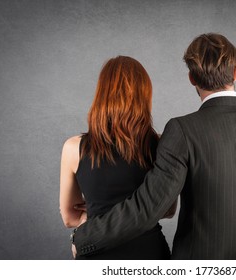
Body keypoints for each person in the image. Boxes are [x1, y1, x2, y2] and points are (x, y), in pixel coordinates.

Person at [72, 33, 236, 259]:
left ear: (191, 78)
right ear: (235, 72)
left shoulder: (182, 131)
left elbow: (148, 208)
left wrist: (83, 239)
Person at [59, 56, 175, 259]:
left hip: (96, 252)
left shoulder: (73, 147)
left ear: (101, 94)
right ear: (144, 94)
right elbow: (167, 210)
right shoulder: (162, 144)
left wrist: (96, 213)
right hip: (149, 253)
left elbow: (69, 218)